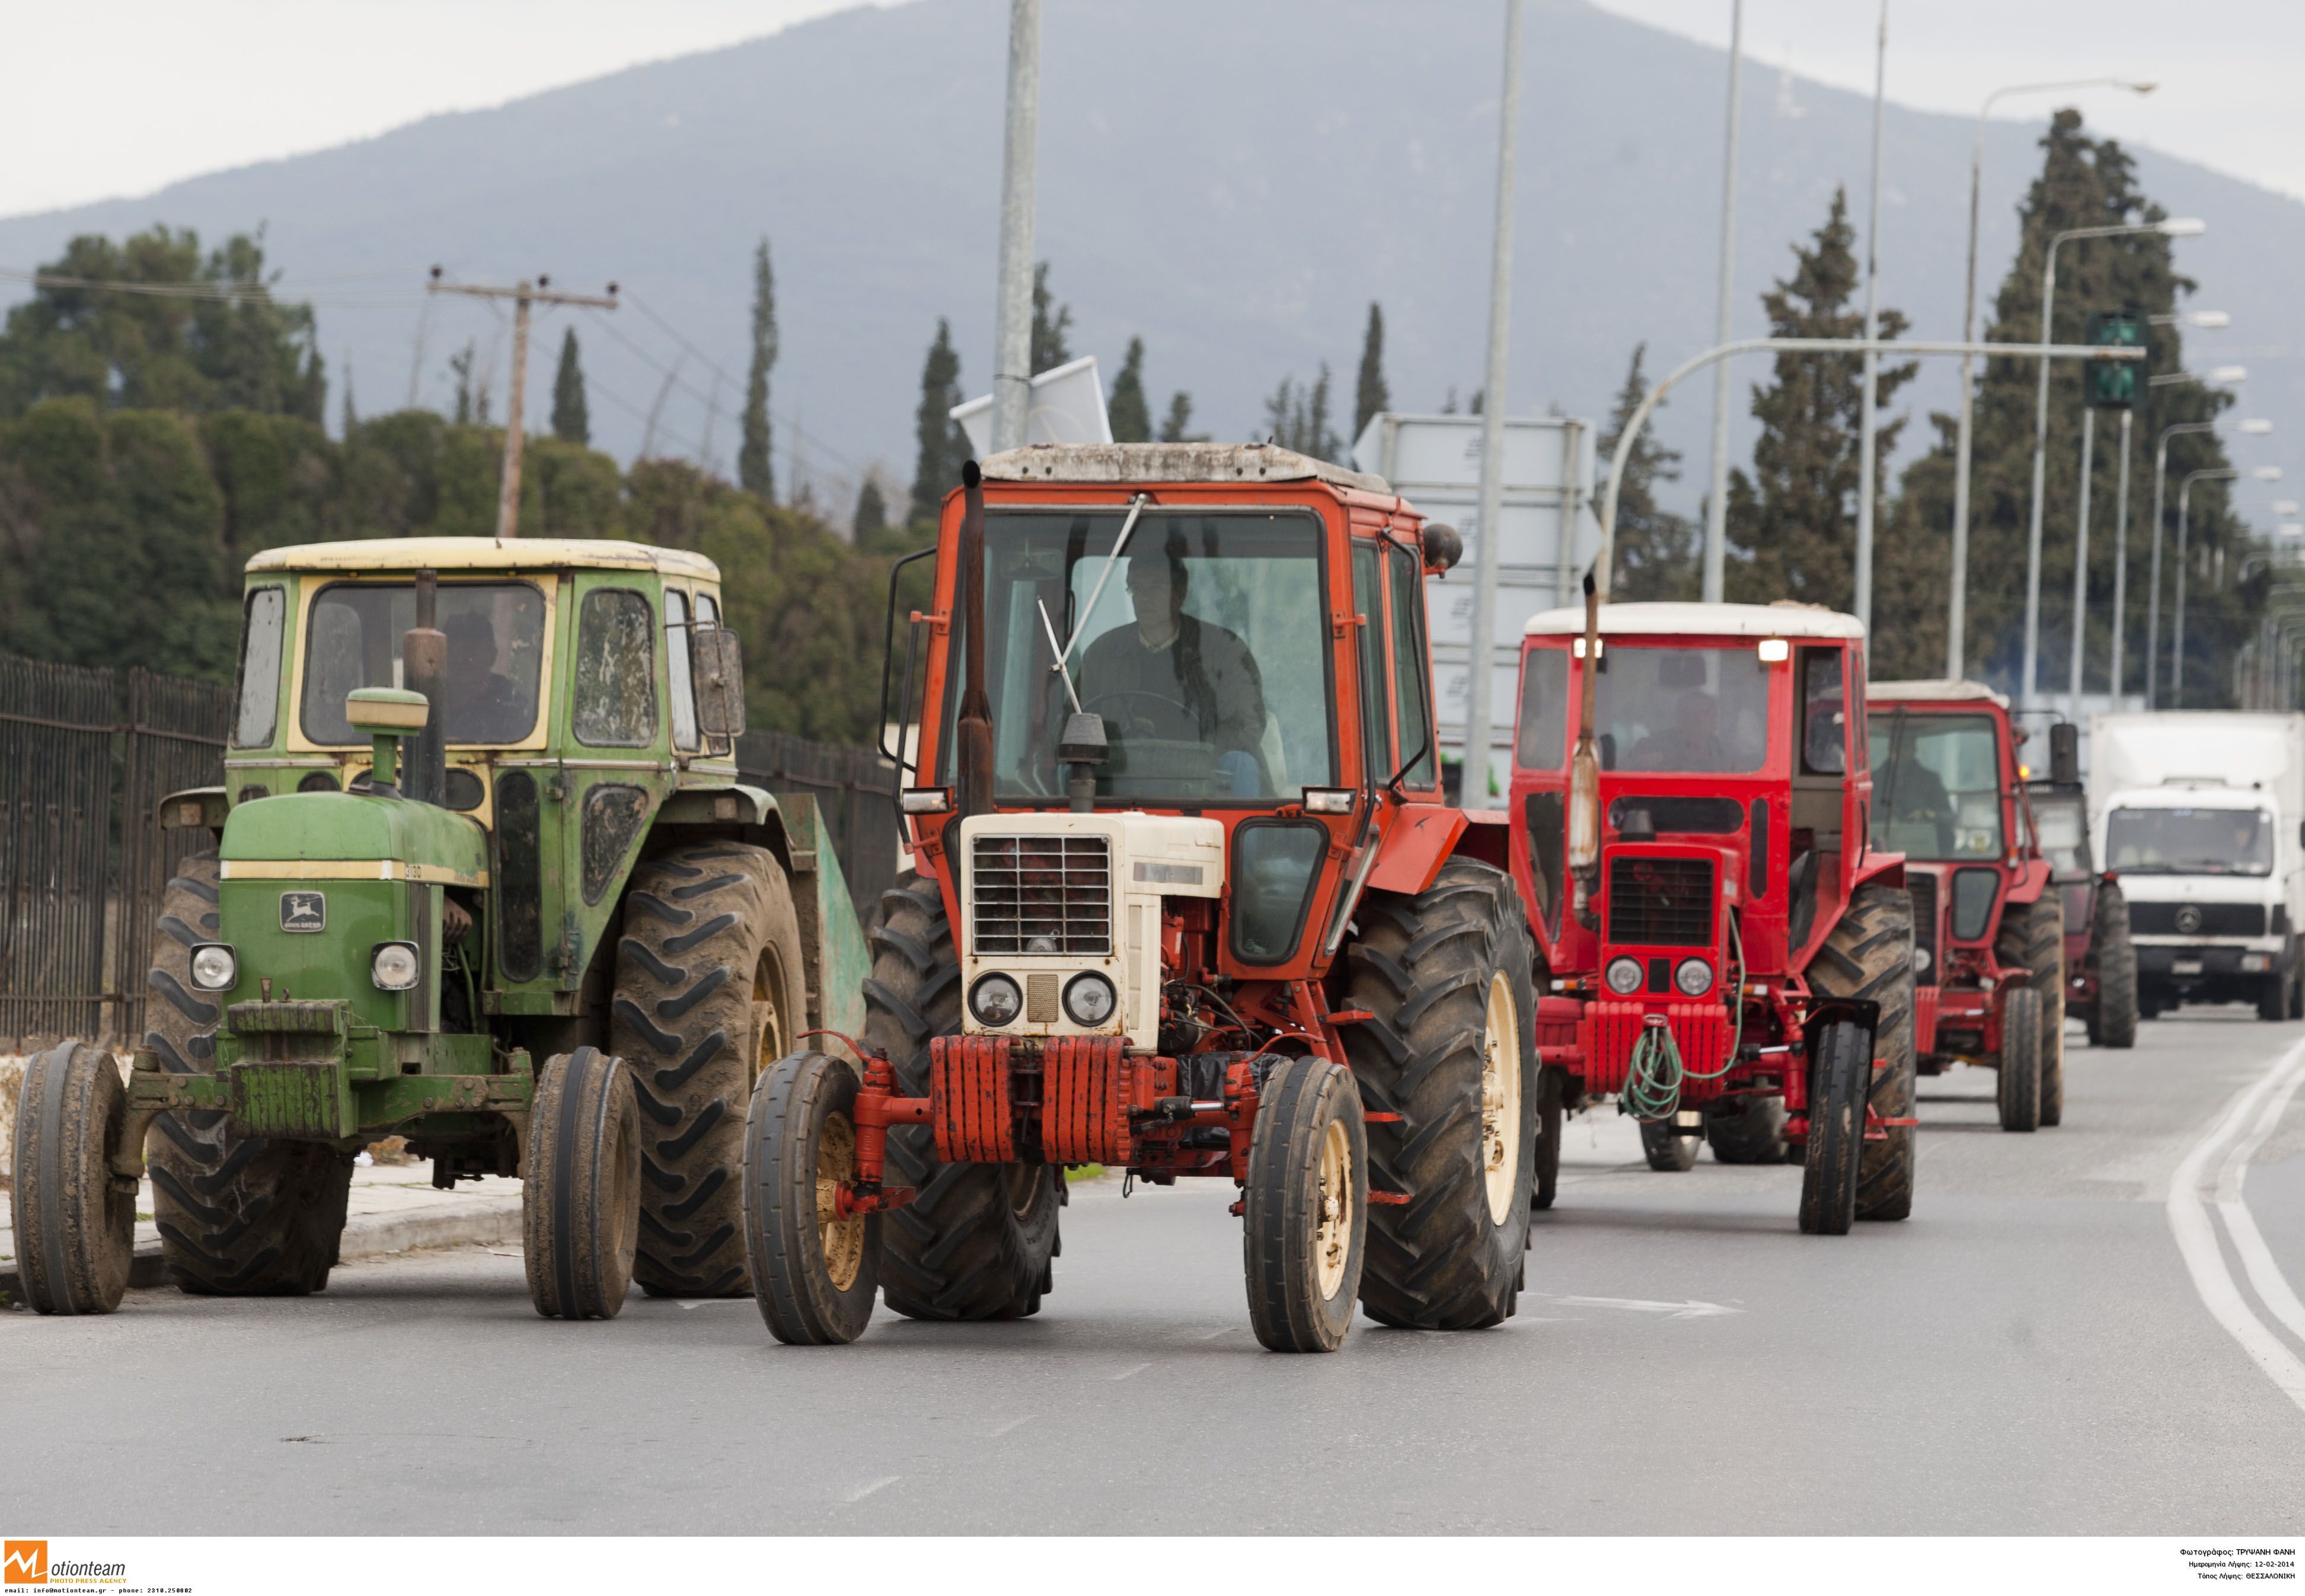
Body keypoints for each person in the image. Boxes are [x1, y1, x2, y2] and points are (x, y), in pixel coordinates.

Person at [1079, 545, 1268, 793]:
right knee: (1071, 769)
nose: (1145, 597)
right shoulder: (1102, 654)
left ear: (1180, 593)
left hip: (1204, 785)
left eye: (1156, 587)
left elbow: (1246, 724)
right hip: (1123, 782)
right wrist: (1120, 747)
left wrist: (1190, 758)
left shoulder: (1224, 651)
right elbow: (1074, 722)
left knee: (1241, 764)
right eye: (1137, 588)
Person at [442, 609, 534, 742]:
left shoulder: (513, 707)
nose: (460, 659)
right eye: (451, 650)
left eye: (470, 650)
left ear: (492, 656)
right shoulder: (426, 703)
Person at [1630, 688, 1729, 772]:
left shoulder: (1723, 750)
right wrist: (1640, 764)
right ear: (1680, 719)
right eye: (1707, 714)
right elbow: (1623, 773)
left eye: (1714, 715)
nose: (1713, 720)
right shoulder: (1653, 745)